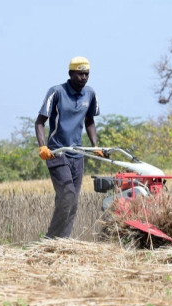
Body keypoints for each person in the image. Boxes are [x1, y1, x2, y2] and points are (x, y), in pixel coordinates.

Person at [35, 56, 103, 239]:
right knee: (68, 196)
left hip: (78, 154)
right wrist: (43, 147)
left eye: (86, 74)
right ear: (70, 73)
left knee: (72, 202)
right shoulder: (56, 92)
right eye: (80, 73)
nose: (84, 77)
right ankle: (51, 238)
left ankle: (62, 241)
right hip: (57, 153)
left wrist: (95, 145)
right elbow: (40, 122)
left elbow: (90, 121)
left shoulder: (90, 93)